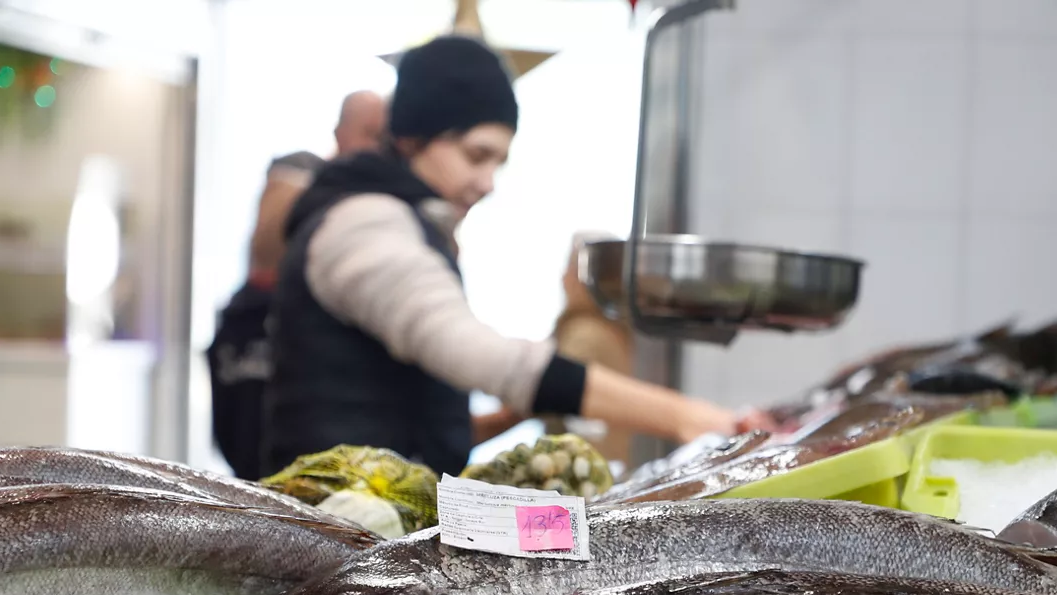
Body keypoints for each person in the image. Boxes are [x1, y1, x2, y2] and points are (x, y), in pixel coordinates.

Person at [263, 36, 767, 478]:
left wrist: (501, 422)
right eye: (476, 155)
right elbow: (474, 352)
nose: (486, 184)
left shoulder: (392, 215)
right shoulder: (365, 222)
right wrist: (688, 416)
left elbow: (397, 409)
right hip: (335, 533)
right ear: (414, 136)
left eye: (499, 162)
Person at [207, 91, 386, 479]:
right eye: (368, 133)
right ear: (339, 133)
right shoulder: (300, 171)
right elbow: (267, 246)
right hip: (260, 349)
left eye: (384, 138)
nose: (376, 148)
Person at [543, 231, 635, 463]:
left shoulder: (584, 336)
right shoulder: (618, 333)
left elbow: (553, 398)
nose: (563, 278)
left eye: (569, 269)